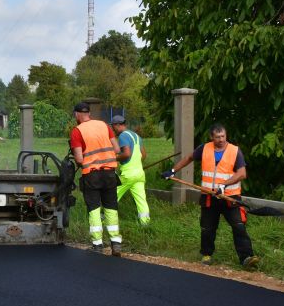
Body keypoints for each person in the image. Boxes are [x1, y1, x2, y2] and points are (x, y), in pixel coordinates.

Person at [162, 123, 259, 269]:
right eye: (217, 137)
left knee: (239, 226)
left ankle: (246, 257)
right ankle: (207, 254)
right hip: (209, 196)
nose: (221, 139)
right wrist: (173, 171)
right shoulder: (204, 148)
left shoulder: (235, 151)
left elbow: (242, 173)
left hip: (230, 197)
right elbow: (189, 157)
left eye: (223, 136)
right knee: (207, 228)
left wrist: (223, 185)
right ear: (211, 137)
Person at [71, 102, 123, 255]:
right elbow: (117, 149)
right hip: (109, 174)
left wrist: (77, 158)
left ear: (77, 114)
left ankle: (98, 245)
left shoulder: (77, 131)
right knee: (111, 207)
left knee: (94, 208)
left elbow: (80, 159)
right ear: (89, 113)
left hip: (91, 175)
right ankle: (116, 243)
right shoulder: (104, 125)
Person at [111, 115, 150, 226]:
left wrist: (114, 158)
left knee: (112, 195)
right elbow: (143, 155)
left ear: (118, 125)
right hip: (139, 174)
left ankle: (106, 220)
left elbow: (127, 154)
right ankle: (145, 224)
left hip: (127, 175)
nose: (113, 129)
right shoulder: (136, 136)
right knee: (141, 200)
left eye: (113, 126)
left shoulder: (123, 136)